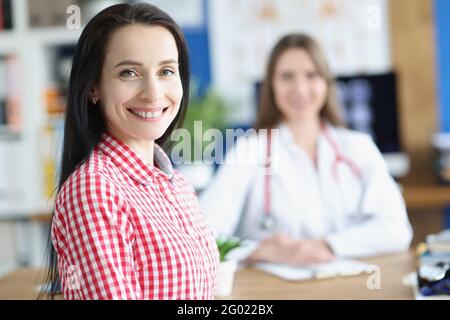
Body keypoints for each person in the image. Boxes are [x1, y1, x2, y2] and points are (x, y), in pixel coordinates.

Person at [42, 3, 218, 300]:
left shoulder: (177, 186)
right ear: (93, 87)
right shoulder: (94, 190)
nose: (152, 92)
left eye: (166, 71)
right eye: (129, 73)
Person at [200, 33, 412, 265]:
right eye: (287, 77)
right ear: (272, 85)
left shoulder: (358, 148)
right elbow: (204, 233)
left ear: (326, 83)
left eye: (311, 75)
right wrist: (259, 251)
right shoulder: (250, 150)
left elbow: (397, 230)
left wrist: (323, 245)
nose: (300, 89)